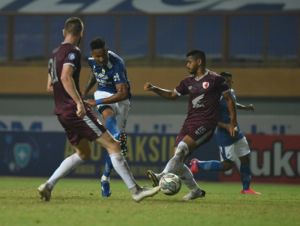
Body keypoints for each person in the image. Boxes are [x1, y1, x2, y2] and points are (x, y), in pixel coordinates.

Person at [37, 17, 160, 203]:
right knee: (113, 144)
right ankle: (136, 190)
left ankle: (48, 185)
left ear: (64, 32)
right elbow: (65, 78)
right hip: (74, 110)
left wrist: (70, 98)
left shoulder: (54, 53)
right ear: (81, 34)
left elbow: (49, 86)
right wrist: (79, 102)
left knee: (83, 153)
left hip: (61, 111)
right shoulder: (74, 51)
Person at [144, 49, 238, 200]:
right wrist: (154, 88)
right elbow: (172, 95)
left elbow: (229, 99)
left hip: (206, 123)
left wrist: (232, 123)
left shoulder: (215, 79)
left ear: (199, 61)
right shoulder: (188, 81)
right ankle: (196, 191)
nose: (187, 65)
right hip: (189, 123)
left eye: (189, 62)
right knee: (178, 159)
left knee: (181, 149)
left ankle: (161, 175)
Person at [190, 71, 261, 195]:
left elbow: (232, 103)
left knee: (245, 158)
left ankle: (246, 189)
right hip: (225, 135)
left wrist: (245, 108)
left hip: (236, 132)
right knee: (226, 166)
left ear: (232, 82)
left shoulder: (230, 93)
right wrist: (227, 126)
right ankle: (198, 164)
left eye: (226, 81)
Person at [82, 37, 131, 197]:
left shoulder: (117, 63)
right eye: (98, 57)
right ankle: (117, 135)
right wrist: (85, 90)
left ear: (107, 50)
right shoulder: (91, 60)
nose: (101, 59)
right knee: (109, 120)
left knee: (114, 146)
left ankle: (105, 178)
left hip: (122, 99)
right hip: (102, 92)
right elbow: (95, 73)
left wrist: (96, 102)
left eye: (104, 55)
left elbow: (122, 93)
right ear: (92, 55)